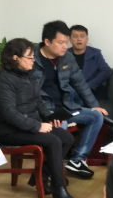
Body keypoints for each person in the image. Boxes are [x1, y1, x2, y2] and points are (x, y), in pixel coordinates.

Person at [0, 37, 75, 198]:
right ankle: (58, 189)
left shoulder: (28, 75)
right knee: (53, 141)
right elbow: (9, 113)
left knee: (67, 138)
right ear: (15, 58)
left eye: (33, 57)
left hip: (28, 124)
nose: (33, 61)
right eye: (29, 57)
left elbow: (38, 102)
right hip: (10, 130)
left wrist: (50, 119)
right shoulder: (3, 80)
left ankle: (41, 177)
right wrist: (37, 126)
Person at [32, 20, 108, 180]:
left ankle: (77, 160)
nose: (64, 46)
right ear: (47, 41)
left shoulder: (66, 57)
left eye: (65, 42)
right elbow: (27, 92)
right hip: (43, 110)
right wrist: (46, 115)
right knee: (62, 125)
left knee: (96, 116)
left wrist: (94, 105)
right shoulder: (32, 58)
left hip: (65, 106)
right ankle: (52, 170)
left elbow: (80, 83)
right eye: (60, 42)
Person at [69, 24, 112, 101]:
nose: (79, 39)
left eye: (82, 36)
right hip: (72, 91)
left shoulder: (95, 53)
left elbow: (107, 71)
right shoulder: (64, 54)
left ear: (87, 39)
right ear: (70, 39)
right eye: (75, 36)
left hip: (93, 91)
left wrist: (90, 85)